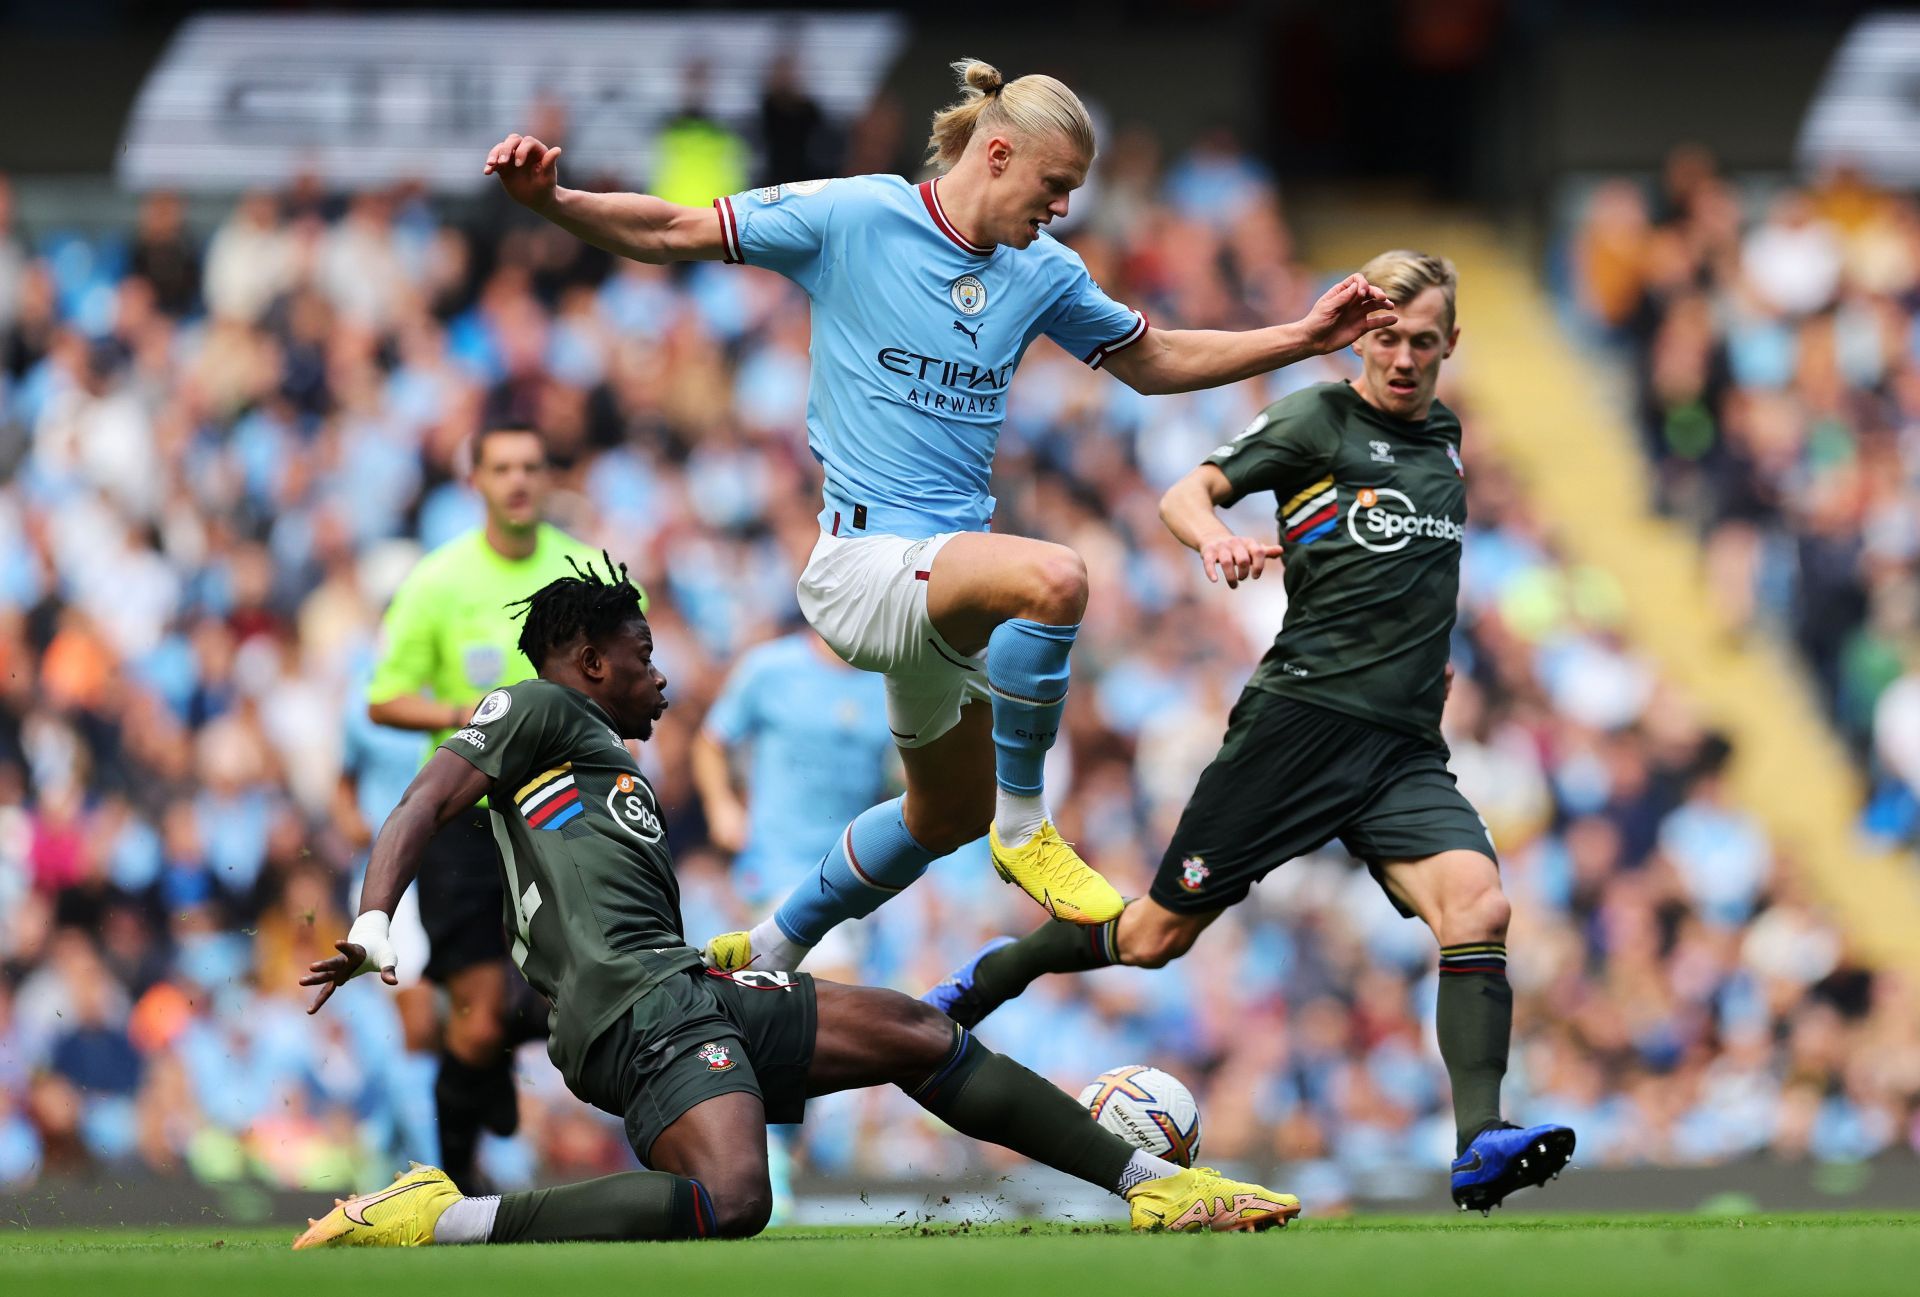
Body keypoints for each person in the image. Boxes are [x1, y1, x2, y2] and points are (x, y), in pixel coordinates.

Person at [481, 58, 1396, 973]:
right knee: (1057, 578)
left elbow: (1151, 359)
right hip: (865, 564)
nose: (1063, 209)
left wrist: (1302, 339)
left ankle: (771, 941)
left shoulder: (1044, 271)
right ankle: (1028, 823)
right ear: (997, 153)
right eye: (1053, 186)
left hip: (940, 589)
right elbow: (679, 227)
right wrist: (556, 200)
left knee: (941, 814)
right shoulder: (855, 216)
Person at [295, 558, 1301, 1247]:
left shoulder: (593, 755)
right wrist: (377, 915)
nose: (664, 678)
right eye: (643, 656)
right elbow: (427, 796)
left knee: (915, 1029)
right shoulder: (540, 706)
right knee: (734, 1202)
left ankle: (1153, 1188)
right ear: (591, 661)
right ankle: (447, 1213)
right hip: (633, 1007)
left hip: (675, 989)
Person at [923, 252, 1576, 1214]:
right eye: (1385, 336)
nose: (1401, 357)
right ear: (1362, 333)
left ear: (1450, 345)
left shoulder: (1445, 438)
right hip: (1297, 728)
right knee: (1152, 937)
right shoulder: (1318, 419)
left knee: (1477, 906)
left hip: (1401, 745)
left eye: (1422, 341)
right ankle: (981, 983)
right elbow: (1185, 492)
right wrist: (1216, 537)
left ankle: (1480, 1139)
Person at [364, 425, 612, 1191]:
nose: (517, 480)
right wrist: (467, 709)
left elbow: (630, 674)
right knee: (473, 1014)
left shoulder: (589, 571)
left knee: (582, 991)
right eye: (501, 467)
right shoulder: (439, 581)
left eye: (531, 466)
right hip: (466, 821)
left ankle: (504, 1040)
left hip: (564, 812)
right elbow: (383, 699)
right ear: (474, 479)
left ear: (548, 478)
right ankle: (456, 1180)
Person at [692, 626, 892, 937]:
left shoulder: (891, 682)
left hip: (856, 872)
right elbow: (711, 742)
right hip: (779, 867)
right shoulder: (771, 668)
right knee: (835, 976)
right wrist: (721, 805)